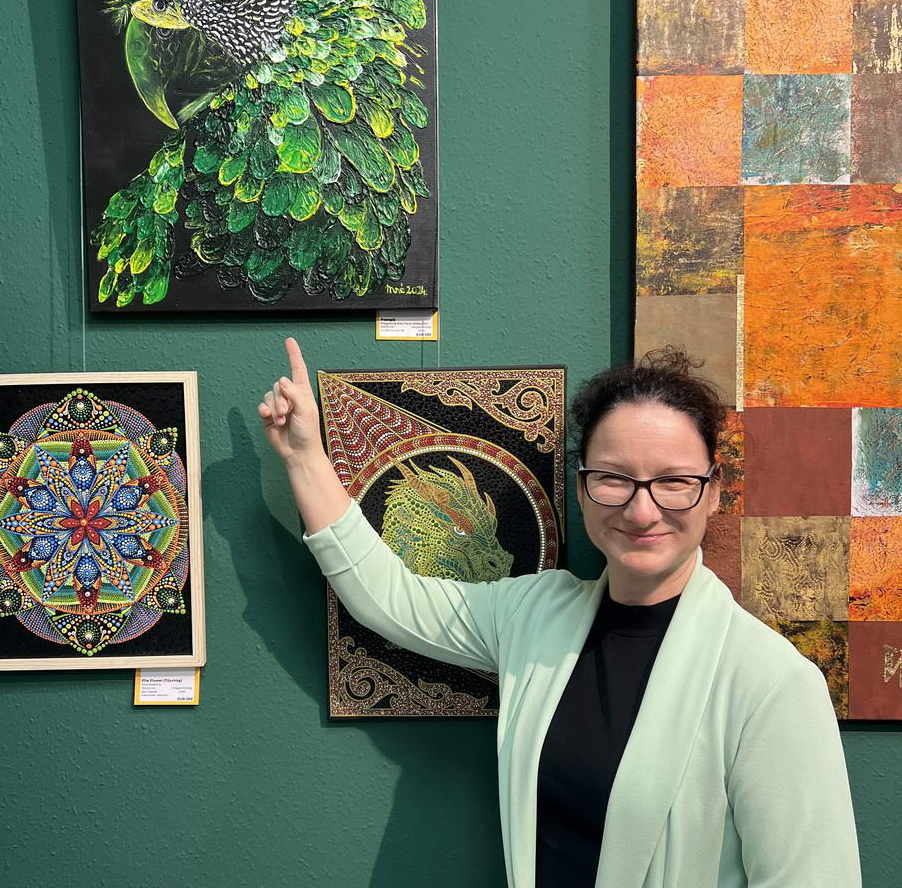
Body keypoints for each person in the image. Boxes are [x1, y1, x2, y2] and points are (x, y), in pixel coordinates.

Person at [259, 338, 862, 888]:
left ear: (713, 490)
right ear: (580, 487)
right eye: (614, 478)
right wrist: (306, 459)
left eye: (674, 481)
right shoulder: (536, 614)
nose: (642, 511)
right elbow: (389, 597)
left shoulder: (771, 683)